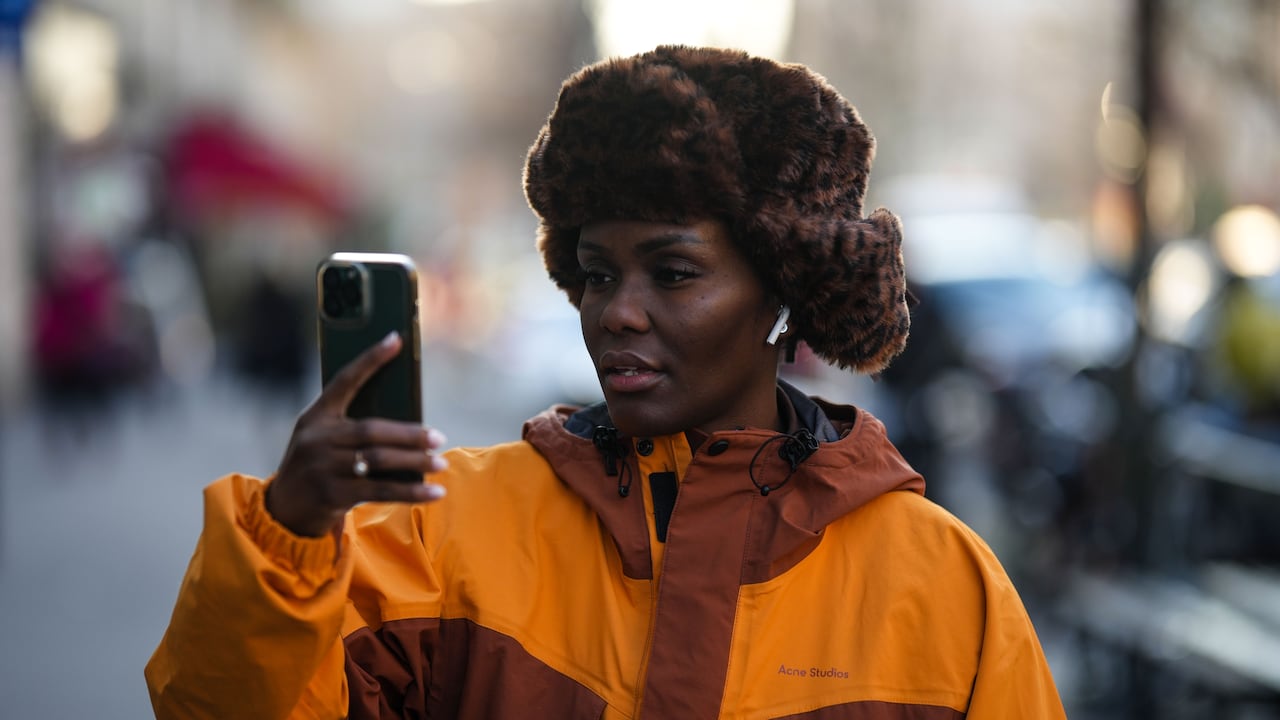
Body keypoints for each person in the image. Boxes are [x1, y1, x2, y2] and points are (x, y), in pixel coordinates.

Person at [146, 45, 1067, 719]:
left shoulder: (947, 591)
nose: (614, 312)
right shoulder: (440, 537)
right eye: (594, 272)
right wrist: (290, 542)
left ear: (785, 293)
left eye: (671, 273)